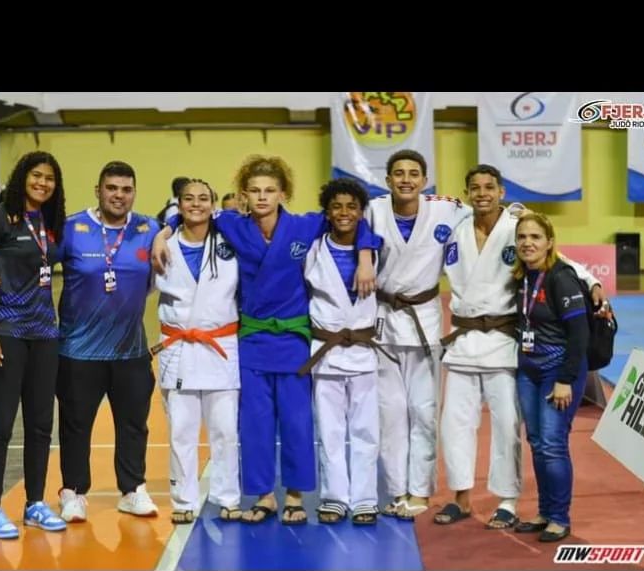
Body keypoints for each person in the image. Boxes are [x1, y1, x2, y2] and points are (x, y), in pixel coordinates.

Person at [154, 154, 379, 524]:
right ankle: (264, 496)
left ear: (283, 193)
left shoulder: (305, 225)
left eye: (270, 190)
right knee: (255, 423)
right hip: (252, 339)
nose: (262, 197)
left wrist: (366, 255)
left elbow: (353, 220)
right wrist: (163, 234)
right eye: (255, 191)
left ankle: (295, 495)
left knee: (296, 421)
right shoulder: (232, 224)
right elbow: (189, 215)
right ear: (243, 194)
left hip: (293, 339)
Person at [436, 165, 603, 527]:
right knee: (454, 424)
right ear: (467, 193)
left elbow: (559, 258)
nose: (482, 193)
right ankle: (460, 497)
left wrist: (592, 282)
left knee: (508, 425)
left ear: (501, 191)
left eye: (489, 187)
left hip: (502, 343)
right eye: (475, 188)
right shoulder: (455, 229)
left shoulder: (516, 226)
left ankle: (508, 500)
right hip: (462, 341)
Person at [366, 150, 471, 520]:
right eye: (399, 173)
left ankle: (420, 491)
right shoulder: (372, 211)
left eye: (413, 173)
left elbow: (497, 216)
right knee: (390, 413)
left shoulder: (447, 210)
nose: (406, 179)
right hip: (382, 321)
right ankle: (397, 489)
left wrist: (586, 278)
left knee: (424, 412)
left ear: (425, 181)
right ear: (388, 180)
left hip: (424, 322)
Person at [0, 151, 67, 539]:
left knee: (41, 425)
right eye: (36, 175)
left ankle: (35, 503)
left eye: (49, 178)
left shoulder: (51, 222)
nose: (42, 183)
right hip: (7, 331)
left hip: (45, 334)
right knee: (0, 426)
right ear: (22, 177)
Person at [56, 161, 160, 522]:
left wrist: (166, 232)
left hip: (130, 350)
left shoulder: (149, 228)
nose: (119, 195)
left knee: (133, 424)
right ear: (98, 190)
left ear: (134, 193)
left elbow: (180, 228)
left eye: (126, 189)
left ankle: (132, 490)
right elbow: (34, 264)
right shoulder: (71, 228)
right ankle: (72, 492)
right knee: (75, 424)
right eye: (112, 188)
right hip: (77, 350)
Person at [153, 178, 241, 524]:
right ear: (178, 204)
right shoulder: (163, 245)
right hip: (179, 348)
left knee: (225, 430)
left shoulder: (230, 242)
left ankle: (228, 496)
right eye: (188, 199)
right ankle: (184, 499)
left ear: (213, 205)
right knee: (181, 431)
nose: (196, 204)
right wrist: (162, 232)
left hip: (220, 347)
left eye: (203, 198)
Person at [301, 178, 385, 525]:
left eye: (352, 206)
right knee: (330, 430)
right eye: (336, 206)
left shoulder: (375, 249)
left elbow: (371, 238)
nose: (344, 212)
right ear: (327, 212)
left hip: (363, 350)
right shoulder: (312, 249)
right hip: (327, 351)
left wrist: (365, 252)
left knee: (366, 430)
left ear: (361, 212)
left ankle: (365, 499)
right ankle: (334, 497)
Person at [512, 211, 589, 542]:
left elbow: (580, 334)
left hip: (558, 370)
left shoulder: (561, 277)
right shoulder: (522, 276)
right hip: (528, 369)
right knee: (537, 442)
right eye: (522, 237)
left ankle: (559, 517)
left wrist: (565, 379)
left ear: (550, 242)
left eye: (535, 237)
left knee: (553, 444)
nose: (527, 243)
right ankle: (545, 512)